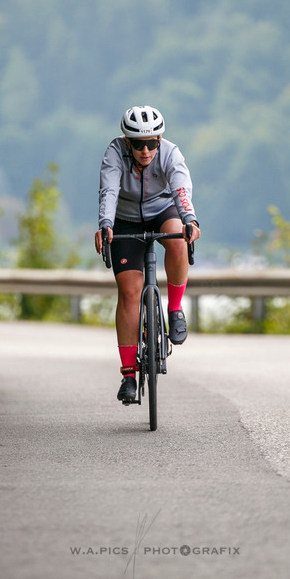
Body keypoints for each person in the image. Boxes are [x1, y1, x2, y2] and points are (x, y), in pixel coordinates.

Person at [95, 105, 201, 403]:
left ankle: (175, 309)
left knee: (178, 241)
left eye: (152, 143)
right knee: (129, 292)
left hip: (162, 210)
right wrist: (105, 224)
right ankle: (129, 374)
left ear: (159, 140)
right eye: (139, 144)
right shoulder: (115, 153)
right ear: (127, 141)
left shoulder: (170, 153)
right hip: (125, 218)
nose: (145, 151)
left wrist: (190, 220)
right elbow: (109, 191)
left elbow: (181, 190)